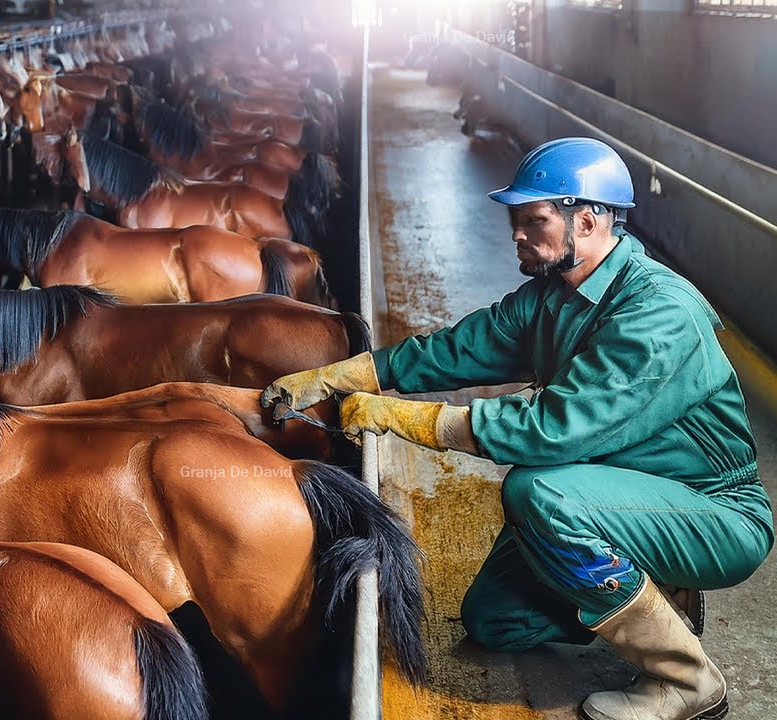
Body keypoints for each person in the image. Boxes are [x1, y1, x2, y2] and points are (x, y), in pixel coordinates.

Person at [262, 137, 772, 720]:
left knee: (537, 491)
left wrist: (405, 418)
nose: (517, 235)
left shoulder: (658, 314)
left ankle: (688, 682)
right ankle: (651, 587)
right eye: (514, 220)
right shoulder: (553, 296)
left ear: (587, 220)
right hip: (615, 489)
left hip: (709, 509)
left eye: (533, 220)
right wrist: (345, 375)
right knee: (494, 622)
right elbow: (458, 350)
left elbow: (553, 430)